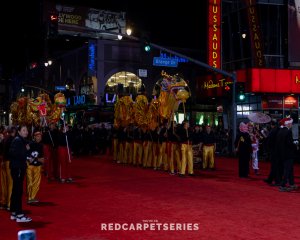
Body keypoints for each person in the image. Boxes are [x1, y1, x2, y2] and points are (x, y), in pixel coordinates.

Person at [9, 125, 32, 222]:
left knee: (15, 190)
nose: (26, 132)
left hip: (17, 167)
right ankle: (19, 214)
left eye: (26, 130)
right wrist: (26, 153)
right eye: (23, 130)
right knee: (18, 191)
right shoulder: (18, 141)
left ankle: (14, 212)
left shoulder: (20, 140)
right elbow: (15, 154)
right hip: (17, 168)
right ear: (19, 131)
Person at [276, 117, 298, 192]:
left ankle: (291, 183)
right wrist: (295, 145)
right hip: (288, 154)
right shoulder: (288, 132)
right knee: (287, 170)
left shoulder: (280, 131)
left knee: (290, 169)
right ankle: (282, 185)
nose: (291, 124)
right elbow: (289, 144)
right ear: (288, 124)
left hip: (282, 154)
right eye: (291, 123)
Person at [0, 126, 16, 210]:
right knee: (10, 183)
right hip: (9, 162)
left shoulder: (4, 139)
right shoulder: (13, 140)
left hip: (3, 162)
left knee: (4, 183)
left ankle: (3, 202)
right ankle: (9, 203)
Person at [26, 131, 44, 204]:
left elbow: (42, 159)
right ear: (34, 137)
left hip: (38, 166)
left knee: (36, 182)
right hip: (30, 166)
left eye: (40, 136)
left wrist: (38, 160)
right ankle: (29, 197)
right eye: (37, 136)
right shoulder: (30, 144)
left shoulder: (41, 146)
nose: (39, 138)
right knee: (30, 182)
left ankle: (33, 197)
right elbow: (27, 154)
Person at [264, 120, 281, 185]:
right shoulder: (279, 130)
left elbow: (269, 142)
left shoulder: (272, 131)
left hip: (273, 151)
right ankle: (270, 179)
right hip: (279, 151)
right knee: (277, 166)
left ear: (272, 125)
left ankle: (277, 181)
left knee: (274, 166)